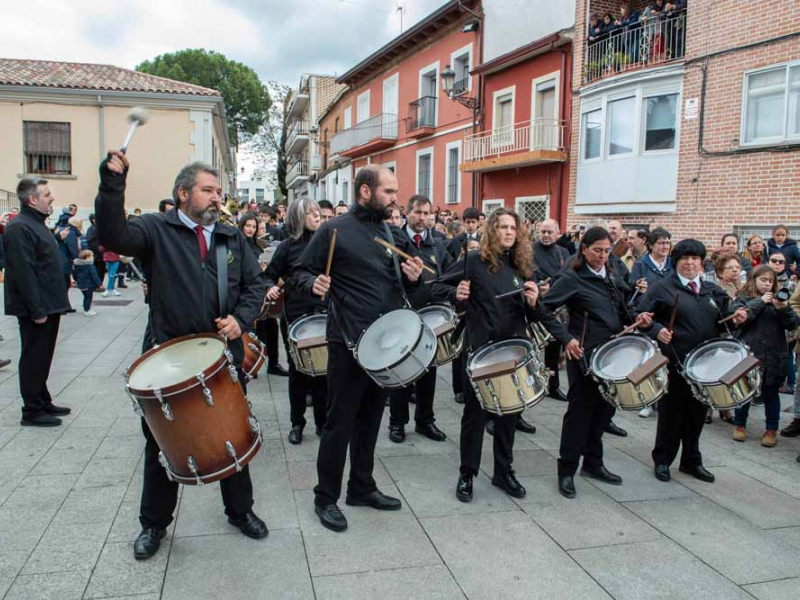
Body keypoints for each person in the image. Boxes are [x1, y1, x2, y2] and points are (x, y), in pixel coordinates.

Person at [96, 153, 268, 560]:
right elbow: (113, 236)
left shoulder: (229, 236)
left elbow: (256, 285)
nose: (216, 198)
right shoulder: (155, 230)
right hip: (167, 355)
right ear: (182, 193)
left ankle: (240, 511)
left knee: (232, 432)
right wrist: (112, 185)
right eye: (208, 190)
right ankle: (153, 525)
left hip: (221, 354)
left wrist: (240, 321)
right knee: (160, 442)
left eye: (218, 192)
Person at [293, 165, 424, 533]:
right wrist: (313, 284)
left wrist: (412, 280)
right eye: (388, 192)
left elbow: (400, 287)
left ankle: (361, 487)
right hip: (348, 341)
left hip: (385, 344)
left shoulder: (390, 231)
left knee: (370, 421)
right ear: (365, 191)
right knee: (339, 423)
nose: (395, 199)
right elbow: (301, 272)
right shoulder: (333, 231)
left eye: (395, 192)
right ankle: (325, 497)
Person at [436, 208, 563, 502]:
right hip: (479, 352)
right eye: (503, 227)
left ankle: (503, 472)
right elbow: (438, 286)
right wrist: (457, 292)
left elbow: (533, 314)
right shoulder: (473, 261)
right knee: (475, 417)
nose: (508, 232)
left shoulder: (523, 266)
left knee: (509, 416)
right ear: (492, 231)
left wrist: (533, 302)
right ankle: (467, 473)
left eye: (513, 227)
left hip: (513, 352)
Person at [544, 227, 652, 499]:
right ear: (584, 249)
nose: (603, 256)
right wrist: (566, 338)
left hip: (612, 355)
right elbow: (543, 309)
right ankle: (567, 469)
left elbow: (622, 312)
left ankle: (593, 462)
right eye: (597, 250)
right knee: (579, 414)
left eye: (606, 251)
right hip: (584, 356)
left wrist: (637, 321)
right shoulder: (572, 278)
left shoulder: (612, 277)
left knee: (603, 412)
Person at [637, 240, 747, 484]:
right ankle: (663, 460)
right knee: (670, 414)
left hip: (705, 366)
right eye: (684, 258)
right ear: (676, 262)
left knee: (696, 414)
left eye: (695, 258)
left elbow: (723, 322)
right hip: (673, 362)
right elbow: (641, 316)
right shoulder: (662, 288)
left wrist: (736, 318)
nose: (690, 263)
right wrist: (656, 329)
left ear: (701, 263)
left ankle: (691, 461)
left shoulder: (711, 290)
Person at [5, 178, 72, 426]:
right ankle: (32, 410)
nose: (52, 198)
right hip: (38, 307)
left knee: (43, 356)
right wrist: (37, 308)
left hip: (49, 304)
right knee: (34, 356)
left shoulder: (36, 224)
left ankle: (43, 400)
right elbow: (24, 273)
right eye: (47, 194)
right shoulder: (19, 228)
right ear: (32, 199)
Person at [387, 195, 452, 444]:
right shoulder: (394, 240)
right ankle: (397, 423)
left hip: (429, 317)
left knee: (428, 371)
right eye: (418, 213)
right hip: (401, 316)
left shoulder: (438, 245)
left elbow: (446, 279)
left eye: (427, 214)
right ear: (407, 213)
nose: (423, 218)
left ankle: (425, 420)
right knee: (400, 371)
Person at [264, 197, 328, 445]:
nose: (317, 216)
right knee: (298, 373)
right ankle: (296, 424)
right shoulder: (288, 247)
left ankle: (322, 423)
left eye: (317, 212)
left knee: (323, 372)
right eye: (310, 213)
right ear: (298, 218)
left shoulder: (325, 245)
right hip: (295, 317)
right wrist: (270, 288)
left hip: (323, 316)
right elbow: (268, 276)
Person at [731, 266, 799, 447]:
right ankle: (739, 425)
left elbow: (792, 324)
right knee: (745, 391)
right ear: (754, 280)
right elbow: (740, 318)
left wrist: (782, 308)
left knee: (771, 394)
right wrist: (760, 302)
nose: (768, 284)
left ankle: (771, 429)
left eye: (771, 281)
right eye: (763, 280)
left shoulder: (779, 300)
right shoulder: (743, 298)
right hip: (749, 353)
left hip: (774, 354)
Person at [533, 218, 571, 402]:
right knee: (533, 348)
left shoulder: (563, 251)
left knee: (554, 350)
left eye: (550, 232)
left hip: (558, 305)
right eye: (543, 232)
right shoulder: (532, 250)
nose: (546, 235)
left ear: (558, 233)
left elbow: (567, 274)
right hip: (538, 305)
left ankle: (553, 386)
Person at [74, 250, 102, 316]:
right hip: (89, 284)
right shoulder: (90, 266)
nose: (93, 257)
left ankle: (86, 309)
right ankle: (87, 310)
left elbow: (74, 274)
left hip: (81, 285)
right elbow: (94, 276)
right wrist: (99, 284)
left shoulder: (78, 265)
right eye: (92, 256)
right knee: (89, 297)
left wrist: (77, 281)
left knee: (85, 297)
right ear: (87, 257)